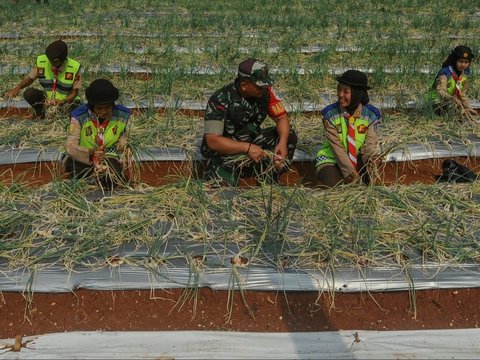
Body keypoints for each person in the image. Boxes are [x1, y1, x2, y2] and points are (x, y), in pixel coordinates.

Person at [201, 58, 297, 186]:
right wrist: (247, 148)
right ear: (244, 85)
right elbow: (213, 141)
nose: (264, 89)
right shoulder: (220, 100)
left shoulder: (265, 93)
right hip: (225, 151)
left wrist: (282, 142)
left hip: (251, 140)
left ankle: (269, 179)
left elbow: (281, 118)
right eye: (259, 87)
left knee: (289, 134)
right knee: (224, 190)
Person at [315, 70, 381, 188]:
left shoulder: (371, 115)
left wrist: (371, 159)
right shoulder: (330, 114)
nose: (340, 95)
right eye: (339, 90)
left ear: (357, 94)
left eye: (346, 92)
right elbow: (336, 147)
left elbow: (370, 143)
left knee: (373, 177)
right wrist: (350, 173)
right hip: (332, 159)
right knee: (333, 185)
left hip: (359, 158)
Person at [63, 79, 131, 189]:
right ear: (91, 106)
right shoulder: (78, 116)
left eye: (107, 108)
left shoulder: (123, 115)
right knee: (71, 164)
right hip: (86, 158)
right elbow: (71, 146)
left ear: (112, 105)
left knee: (111, 179)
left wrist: (121, 149)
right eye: (99, 108)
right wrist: (91, 152)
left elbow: (124, 138)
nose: (103, 111)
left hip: (109, 156)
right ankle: (91, 177)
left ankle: (101, 176)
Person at [5, 40, 81, 119]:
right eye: (50, 61)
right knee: (29, 93)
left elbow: (74, 93)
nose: (51, 64)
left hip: (66, 102)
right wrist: (18, 87)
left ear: (64, 59)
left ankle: (60, 116)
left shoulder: (74, 67)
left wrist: (62, 101)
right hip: (48, 100)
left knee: (72, 114)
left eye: (55, 62)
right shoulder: (42, 61)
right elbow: (30, 78)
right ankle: (42, 114)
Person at [426, 45, 477, 120]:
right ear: (454, 60)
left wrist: (468, 107)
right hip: (437, 100)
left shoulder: (465, 74)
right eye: (460, 61)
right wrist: (452, 99)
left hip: (452, 99)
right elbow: (440, 91)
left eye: (466, 62)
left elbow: (462, 94)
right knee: (452, 108)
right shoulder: (445, 73)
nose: (463, 65)